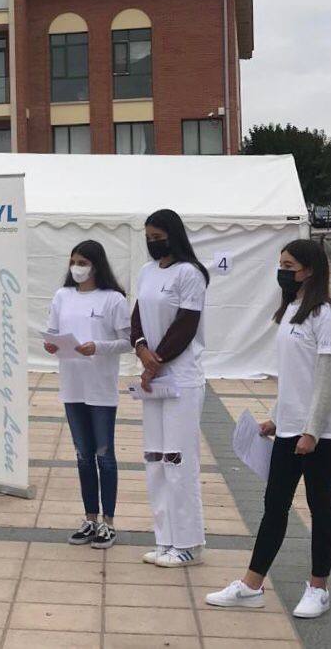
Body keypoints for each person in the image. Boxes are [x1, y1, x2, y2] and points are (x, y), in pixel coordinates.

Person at [206, 239, 331, 618]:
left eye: (289, 265)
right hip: (291, 429)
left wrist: (311, 430)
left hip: (320, 435)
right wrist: (277, 417)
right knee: (273, 507)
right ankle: (251, 584)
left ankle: (318, 587)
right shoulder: (292, 309)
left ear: (309, 269)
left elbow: (325, 380)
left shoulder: (323, 314)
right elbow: (294, 377)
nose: (283, 271)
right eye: (281, 264)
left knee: (321, 509)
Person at [131, 209, 210, 567]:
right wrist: (142, 349)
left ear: (172, 235)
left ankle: (188, 543)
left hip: (181, 379)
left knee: (179, 459)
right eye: (148, 235)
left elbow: (186, 324)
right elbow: (137, 318)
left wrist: (156, 360)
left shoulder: (191, 274)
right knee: (156, 459)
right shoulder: (147, 273)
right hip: (154, 375)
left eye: (157, 235)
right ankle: (164, 539)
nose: (152, 242)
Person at [44, 239, 131, 549]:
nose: (77, 268)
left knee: (104, 455)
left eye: (82, 262)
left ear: (96, 265)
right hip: (72, 385)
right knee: (83, 456)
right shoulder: (62, 296)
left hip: (101, 387)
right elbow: (52, 332)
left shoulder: (113, 299)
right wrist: (51, 344)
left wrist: (99, 347)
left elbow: (128, 340)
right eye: (73, 262)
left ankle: (108, 522)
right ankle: (90, 517)